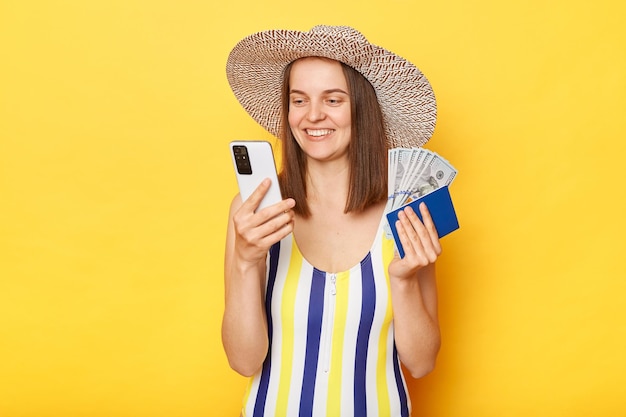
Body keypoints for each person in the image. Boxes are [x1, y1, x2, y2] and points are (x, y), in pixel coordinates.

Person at [223, 25, 442, 417]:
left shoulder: (406, 209)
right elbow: (243, 360)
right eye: (299, 100)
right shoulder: (253, 213)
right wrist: (244, 261)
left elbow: (422, 363)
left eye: (333, 99)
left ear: (361, 108)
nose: (313, 116)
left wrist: (404, 281)